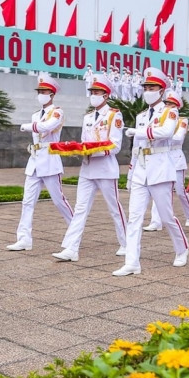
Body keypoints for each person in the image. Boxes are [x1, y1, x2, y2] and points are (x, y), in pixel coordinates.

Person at [114, 68, 189, 276]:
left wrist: (138, 132)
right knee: (134, 217)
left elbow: (165, 132)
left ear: (161, 90)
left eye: (152, 87)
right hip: (141, 169)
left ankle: (182, 249)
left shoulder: (170, 112)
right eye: (146, 87)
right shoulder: (141, 116)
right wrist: (130, 173)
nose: (148, 91)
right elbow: (137, 147)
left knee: (166, 216)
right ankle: (132, 262)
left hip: (160, 169)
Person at [53, 77, 127, 262]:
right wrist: (78, 150)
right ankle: (71, 248)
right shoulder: (87, 117)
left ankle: (127, 243)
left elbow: (115, 145)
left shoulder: (114, 115)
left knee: (114, 209)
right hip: (87, 169)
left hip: (105, 168)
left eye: (97, 92)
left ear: (106, 95)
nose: (93, 96)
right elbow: (84, 141)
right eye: (92, 92)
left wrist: (93, 151)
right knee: (80, 209)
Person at [8, 73, 74, 251]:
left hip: (50, 158)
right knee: (27, 201)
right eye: (39, 91)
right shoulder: (35, 114)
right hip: (35, 160)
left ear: (52, 94)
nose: (41, 94)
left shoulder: (57, 112)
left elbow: (47, 127)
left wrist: (26, 126)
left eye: (44, 91)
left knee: (59, 200)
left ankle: (75, 233)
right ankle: (24, 239)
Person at [146, 90, 189, 230]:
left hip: (176, 158)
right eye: (166, 103)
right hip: (162, 157)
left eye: (171, 104)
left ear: (177, 106)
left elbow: (178, 137)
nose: (168, 106)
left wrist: (162, 135)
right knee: (159, 189)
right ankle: (156, 222)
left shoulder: (182, 120)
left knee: (180, 191)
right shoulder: (159, 118)